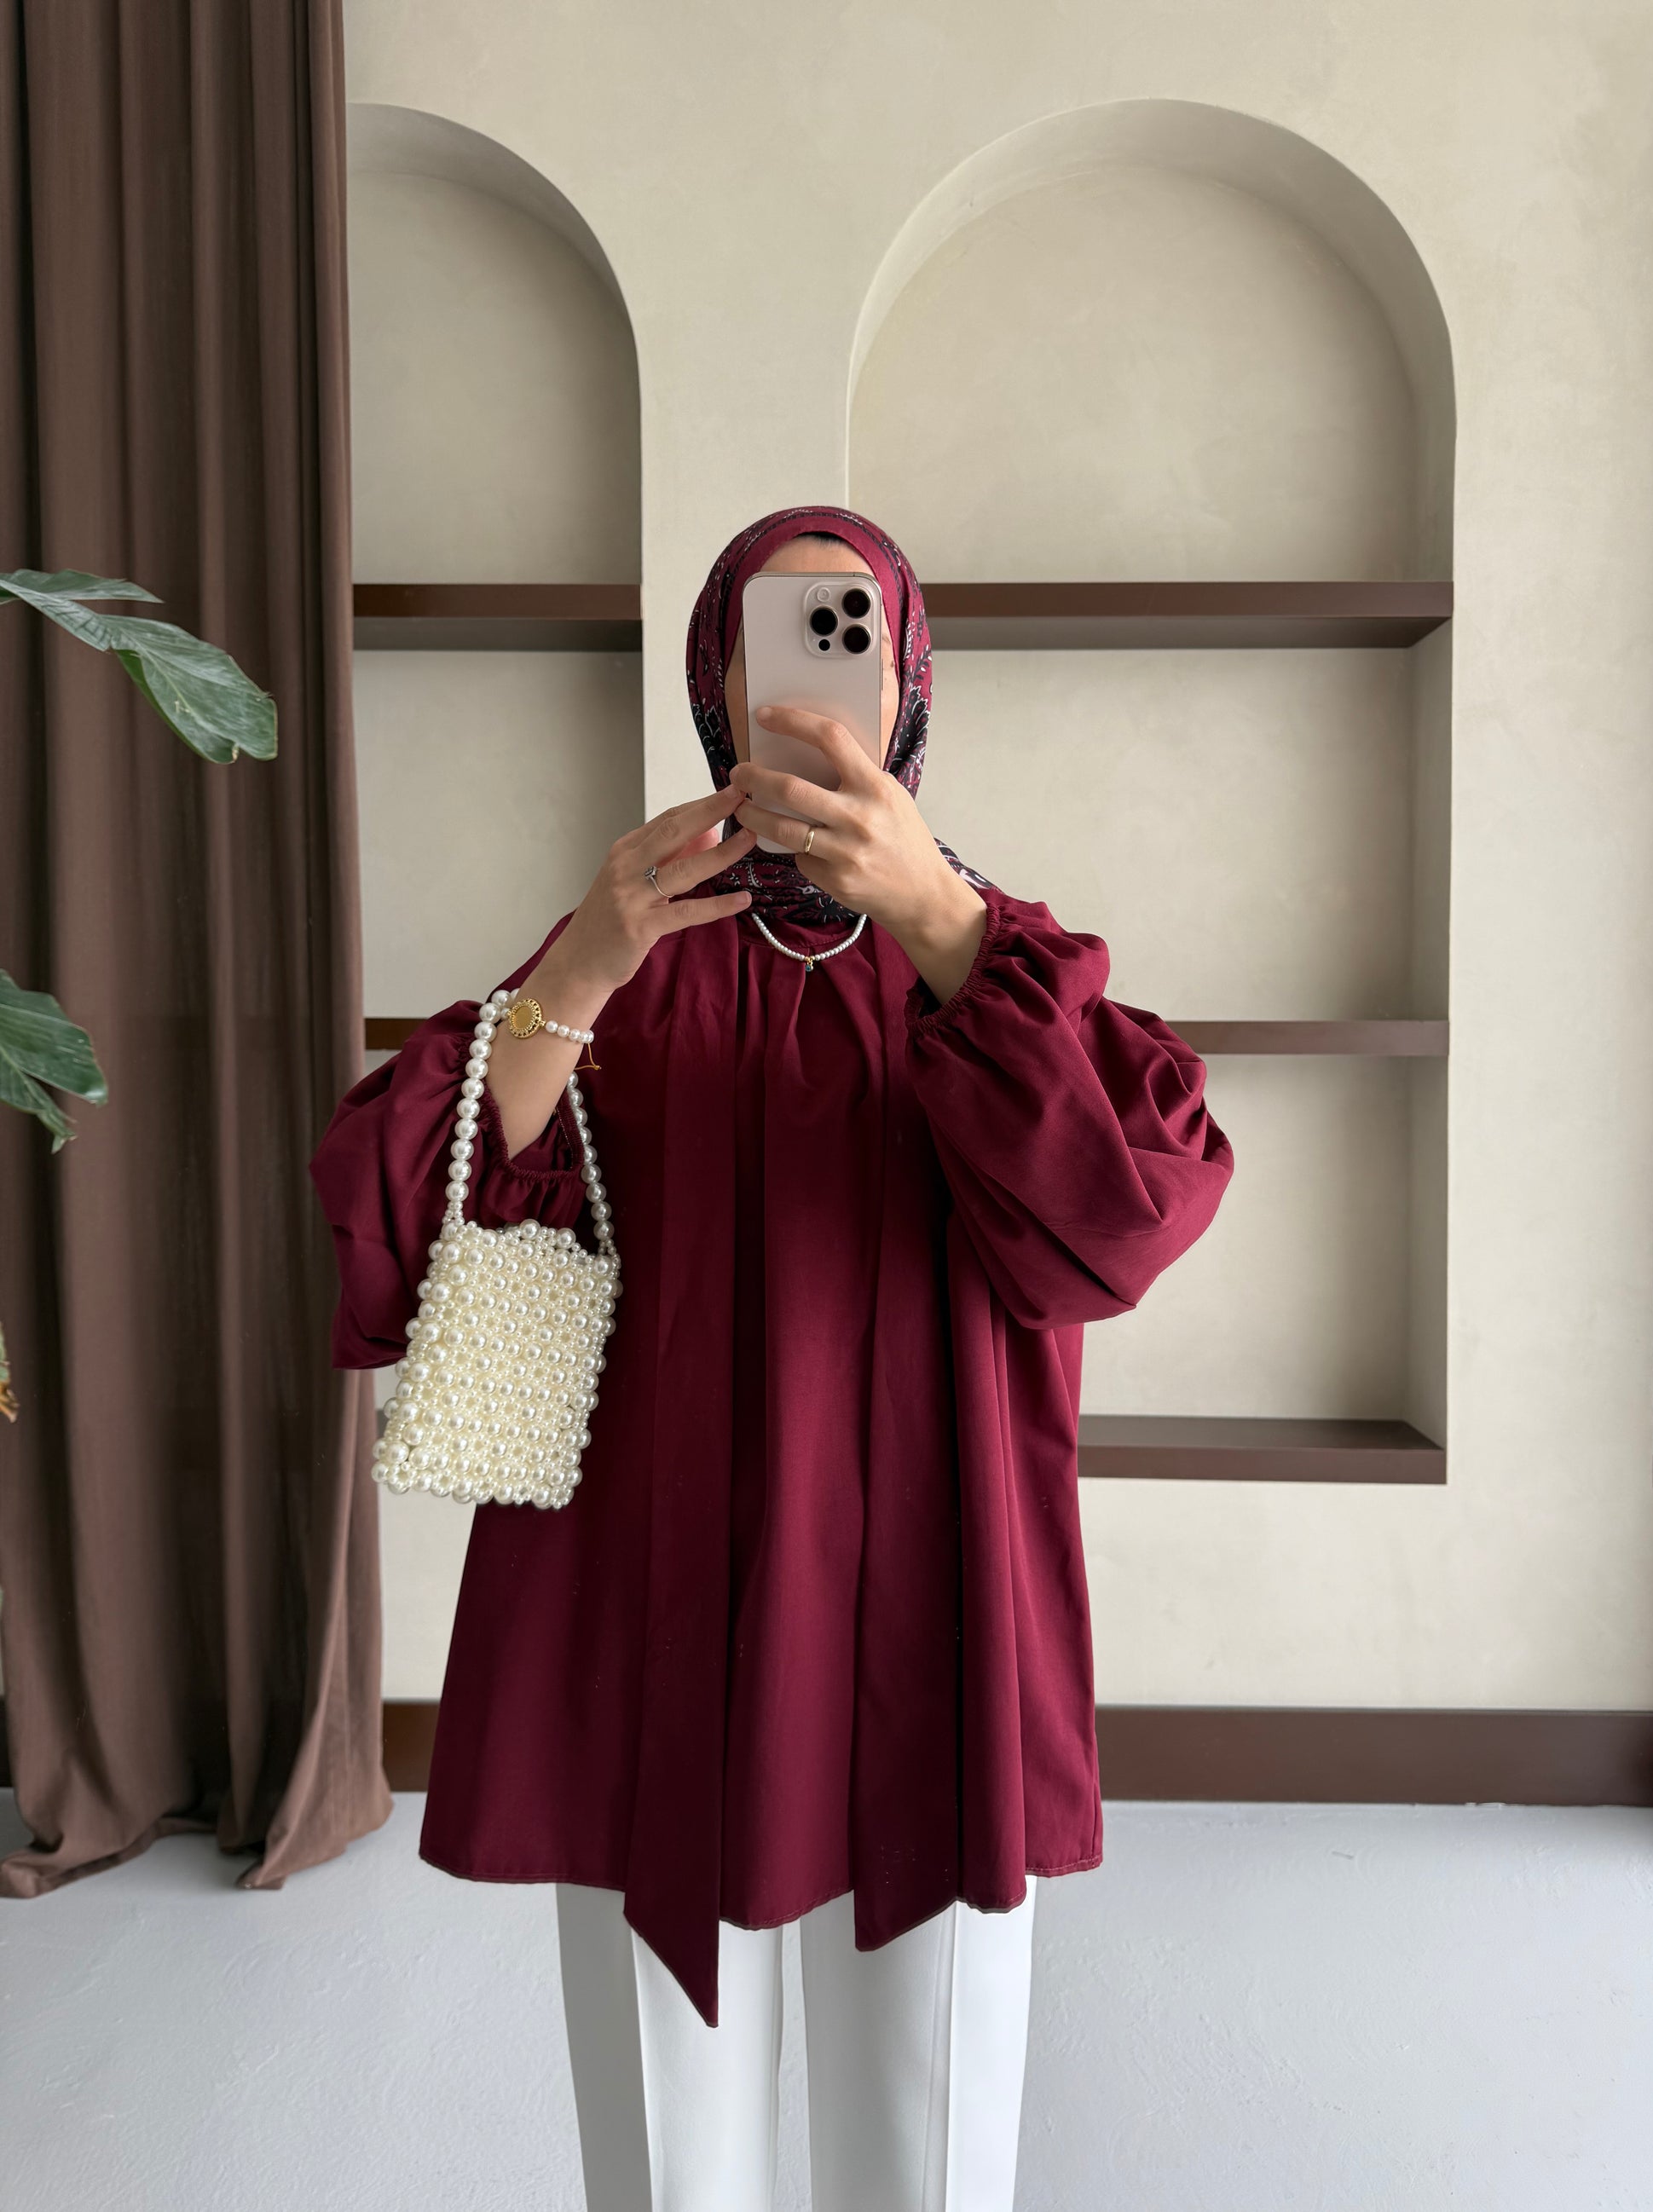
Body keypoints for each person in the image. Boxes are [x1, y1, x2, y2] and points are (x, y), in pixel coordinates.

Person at [309, 505, 1234, 2211]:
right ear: (711, 684)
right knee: (670, 2166)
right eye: (771, 638)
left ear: (911, 677)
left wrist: (940, 924)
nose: (814, 679)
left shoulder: (998, 957)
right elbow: (400, 1221)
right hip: (650, 1607)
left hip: (937, 1610)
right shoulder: (621, 952)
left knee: (927, 2157)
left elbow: (1128, 1212)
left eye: (850, 632)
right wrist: (585, 958)